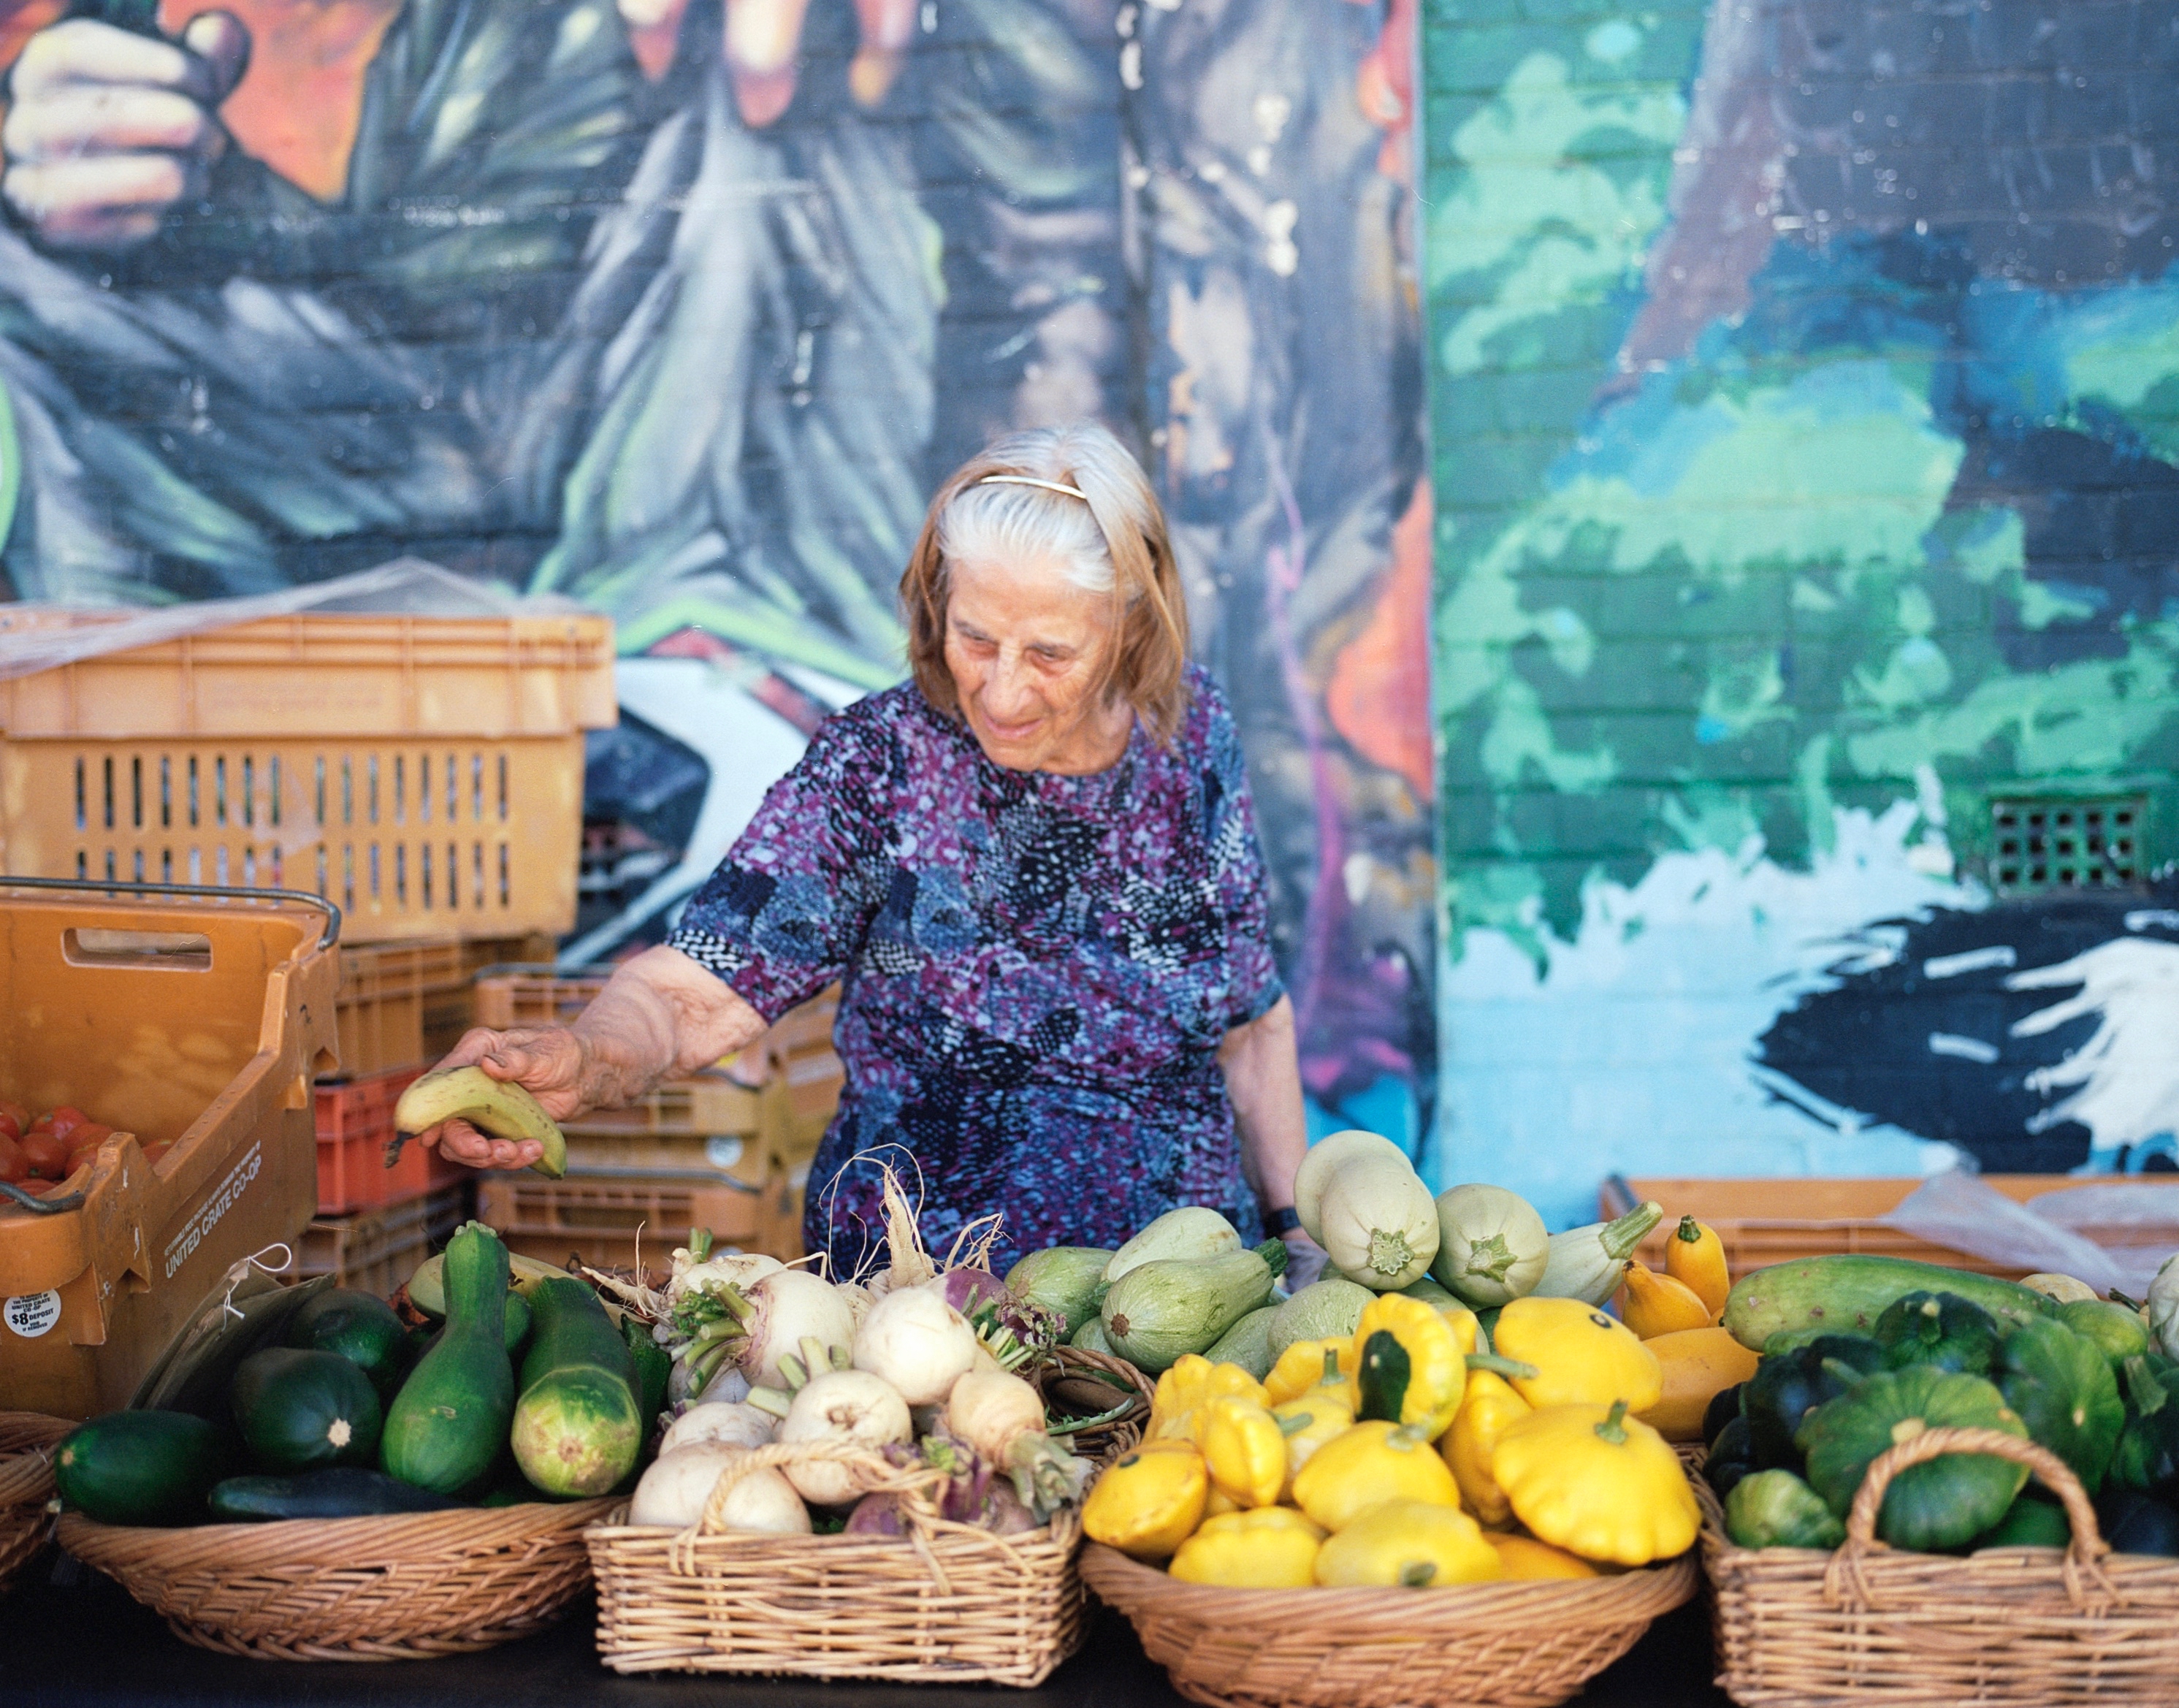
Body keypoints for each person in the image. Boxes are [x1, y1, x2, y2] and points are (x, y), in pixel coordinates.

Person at [417, 422, 1316, 1278]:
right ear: (939, 602)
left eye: (1049, 653)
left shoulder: (1189, 733)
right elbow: (689, 997)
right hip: (922, 1314)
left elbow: (1252, 1022)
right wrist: (578, 1058)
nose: (1000, 690)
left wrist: (1296, 1238)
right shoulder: (880, 762)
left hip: (1185, 1301)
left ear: (1128, 623)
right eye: (975, 637)